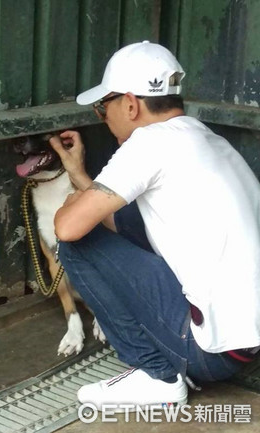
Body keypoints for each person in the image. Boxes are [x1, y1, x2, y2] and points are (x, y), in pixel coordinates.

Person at [50, 41, 260, 411]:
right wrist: (80, 176)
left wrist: (72, 202)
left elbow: (68, 228)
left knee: (75, 245)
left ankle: (156, 374)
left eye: (103, 108)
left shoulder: (148, 143)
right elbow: (126, 223)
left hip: (209, 353)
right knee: (132, 219)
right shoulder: (205, 137)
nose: (105, 116)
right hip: (246, 343)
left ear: (130, 104)